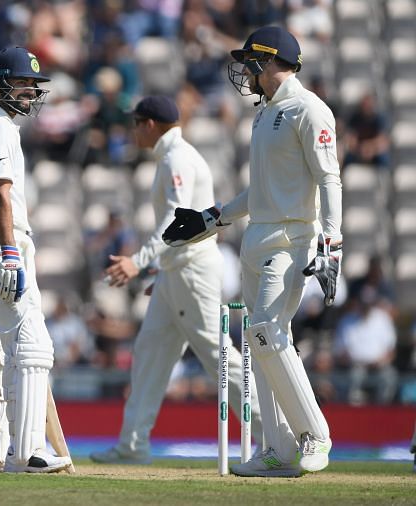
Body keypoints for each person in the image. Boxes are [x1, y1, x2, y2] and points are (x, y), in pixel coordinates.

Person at [163, 26, 342, 477]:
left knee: (266, 331)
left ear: (268, 62)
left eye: (250, 63)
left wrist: (332, 241)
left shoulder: (309, 110)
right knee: (259, 343)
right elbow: (259, 191)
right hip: (256, 238)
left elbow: (329, 179)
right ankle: (277, 450)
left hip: (291, 240)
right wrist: (210, 219)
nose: (244, 71)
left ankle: (315, 434)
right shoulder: (263, 116)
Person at [89, 96, 263, 465]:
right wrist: (159, 266)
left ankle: (273, 435)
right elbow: (177, 227)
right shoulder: (172, 157)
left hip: (192, 270)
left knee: (217, 356)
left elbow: (175, 218)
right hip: (176, 271)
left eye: (136, 123)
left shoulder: (177, 158)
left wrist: (138, 262)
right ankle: (132, 446)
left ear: (149, 124)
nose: (132, 130)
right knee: (150, 354)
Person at [0, 46, 72, 473]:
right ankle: (29, 451)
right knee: (31, 345)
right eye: (23, 84)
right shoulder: (0, 129)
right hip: (2, 244)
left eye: (32, 86)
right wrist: (7, 254)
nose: (30, 92)